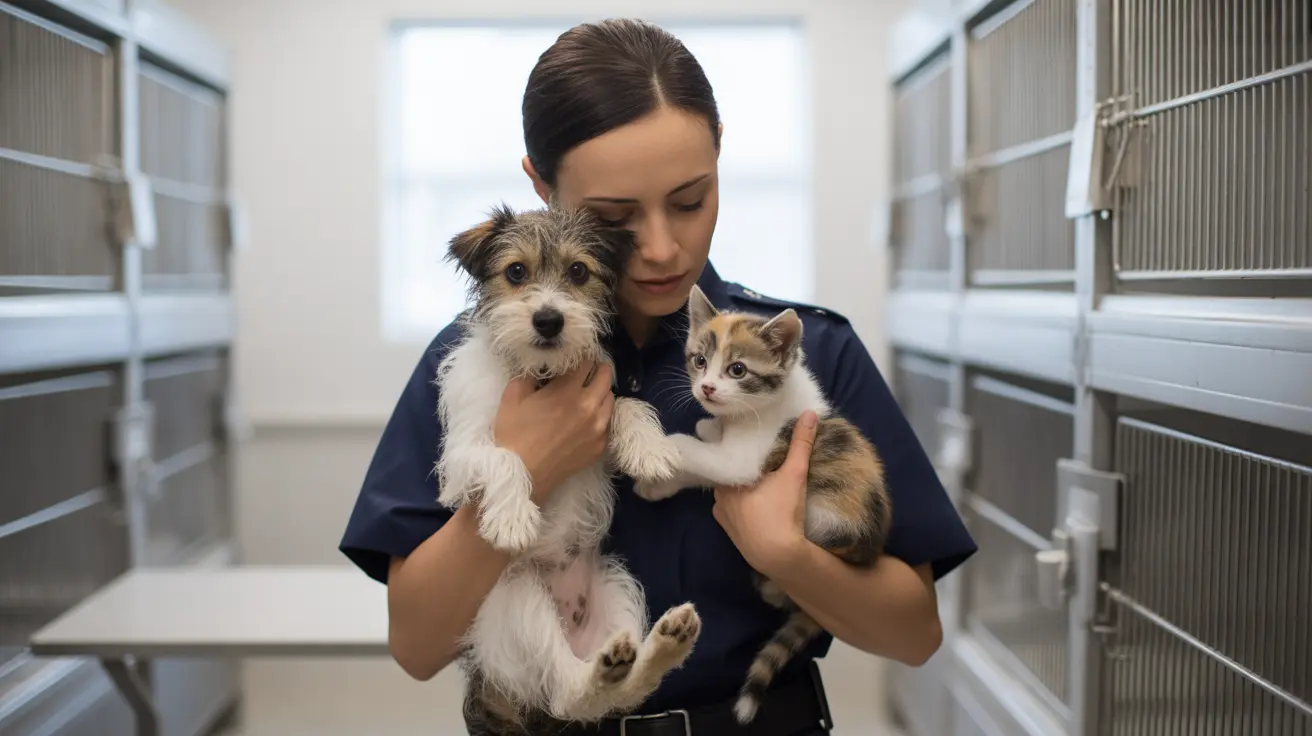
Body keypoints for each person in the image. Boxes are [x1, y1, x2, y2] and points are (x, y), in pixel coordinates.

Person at [340, 17, 976, 736]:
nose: (662, 249)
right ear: (541, 185)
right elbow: (416, 647)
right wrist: (527, 469)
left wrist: (783, 553)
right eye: (613, 220)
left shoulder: (804, 356)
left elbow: (914, 635)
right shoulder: (474, 368)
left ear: (720, 154)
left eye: (690, 199)